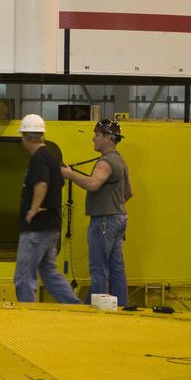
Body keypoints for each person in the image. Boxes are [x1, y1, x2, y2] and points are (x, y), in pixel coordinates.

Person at [61, 118, 132, 307]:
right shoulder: (120, 161)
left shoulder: (106, 162)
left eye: (97, 135)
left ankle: (98, 312)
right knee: (116, 267)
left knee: (99, 269)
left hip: (104, 222)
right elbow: (128, 193)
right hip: (119, 219)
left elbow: (93, 184)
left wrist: (69, 174)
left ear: (108, 138)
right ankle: (122, 307)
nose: (93, 139)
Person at [13, 113, 81, 305]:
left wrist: (33, 209)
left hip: (37, 228)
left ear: (25, 138)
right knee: (49, 273)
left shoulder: (39, 159)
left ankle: (28, 316)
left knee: (24, 277)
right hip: (52, 226)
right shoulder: (52, 157)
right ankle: (74, 307)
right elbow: (57, 184)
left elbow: (41, 184)